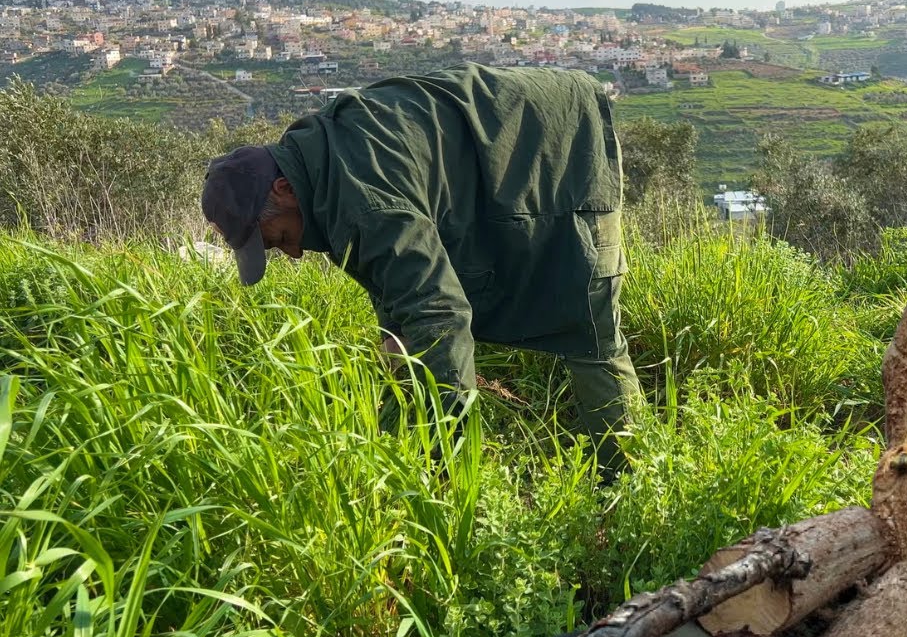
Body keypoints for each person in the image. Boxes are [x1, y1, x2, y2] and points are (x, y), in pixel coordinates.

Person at [201, 62, 641, 478]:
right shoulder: (317, 164)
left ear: (283, 189)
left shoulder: (363, 203)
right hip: (503, 155)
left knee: (590, 325)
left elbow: (439, 314)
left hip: (564, 143)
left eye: (279, 238)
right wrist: (397, 348)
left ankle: (634, 481)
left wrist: (444, 462)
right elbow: (397, 287)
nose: (293, 255)